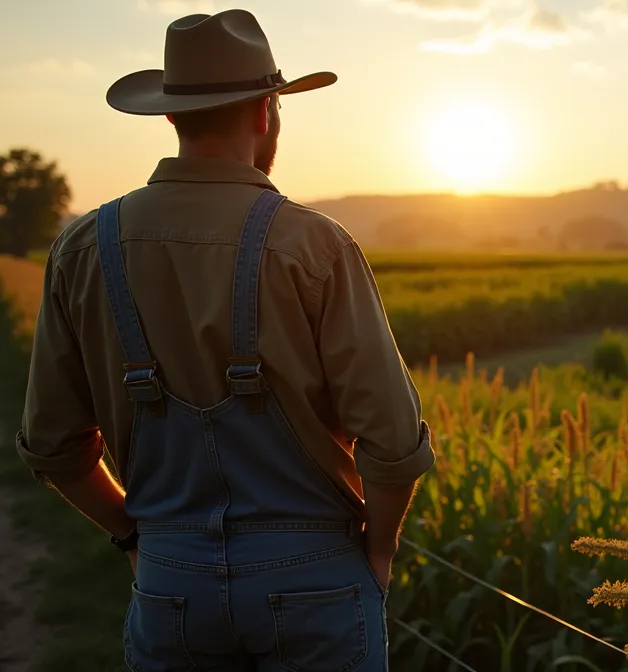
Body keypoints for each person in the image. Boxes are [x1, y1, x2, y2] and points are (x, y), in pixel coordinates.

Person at [16, 9, 433, 671]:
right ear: (267, 111)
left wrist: (133, 536)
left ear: (171, 116)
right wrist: (377, 553)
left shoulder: (82, 248)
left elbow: (52, 447)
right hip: (317, 581)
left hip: (168, 580)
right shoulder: (314, 245)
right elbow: (392, 440)